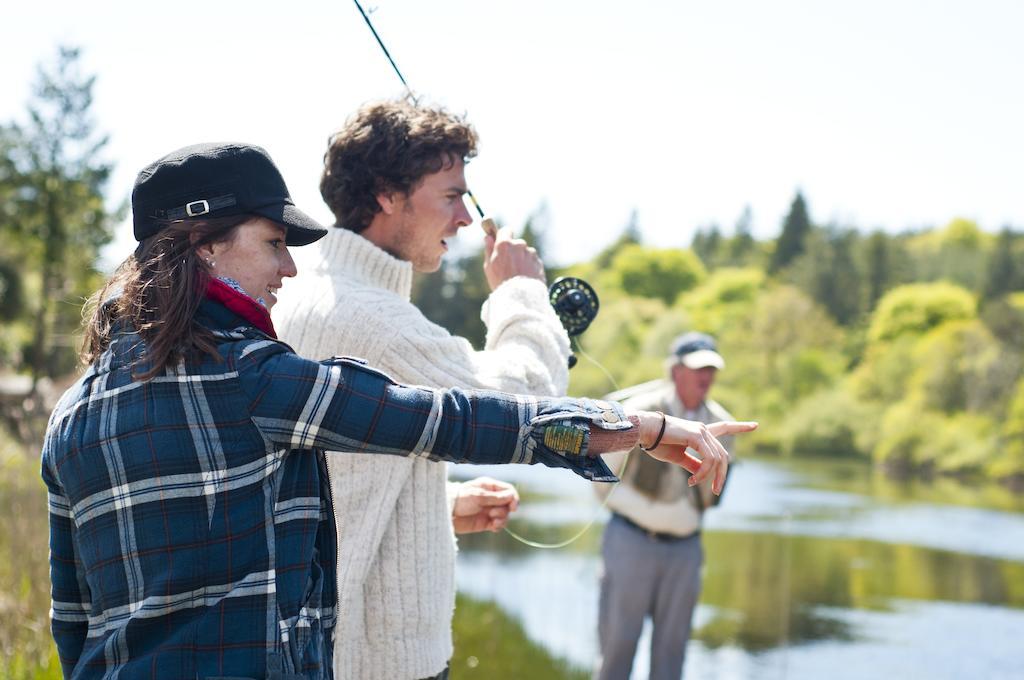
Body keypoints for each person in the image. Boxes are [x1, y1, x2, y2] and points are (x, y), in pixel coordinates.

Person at [41, 142, 752, 679]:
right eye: (274, 243)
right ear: (201, 245)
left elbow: (74, 623)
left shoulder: (71, 414)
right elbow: (460, 418)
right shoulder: (254, 377)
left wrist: (437, 513)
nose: (289, 269)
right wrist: (648, 428)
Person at [271, 98, 570, 680]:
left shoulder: (311, 290)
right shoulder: (370, 318)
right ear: (387, 194)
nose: (463, 218)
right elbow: (528, 403)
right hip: (371, 663)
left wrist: (436, 507)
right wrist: (522, 293)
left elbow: (335, 479)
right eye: (452, 194)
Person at [594, 332, 736, 680]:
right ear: (675, 372)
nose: (706, 377)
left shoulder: (723, 426)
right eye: (697, 368)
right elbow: (601, 479)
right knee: (617, 647)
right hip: (629, 541)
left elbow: (714, 498)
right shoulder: (639, 412)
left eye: (710, 370)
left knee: (672, 655)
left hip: (686, 551)